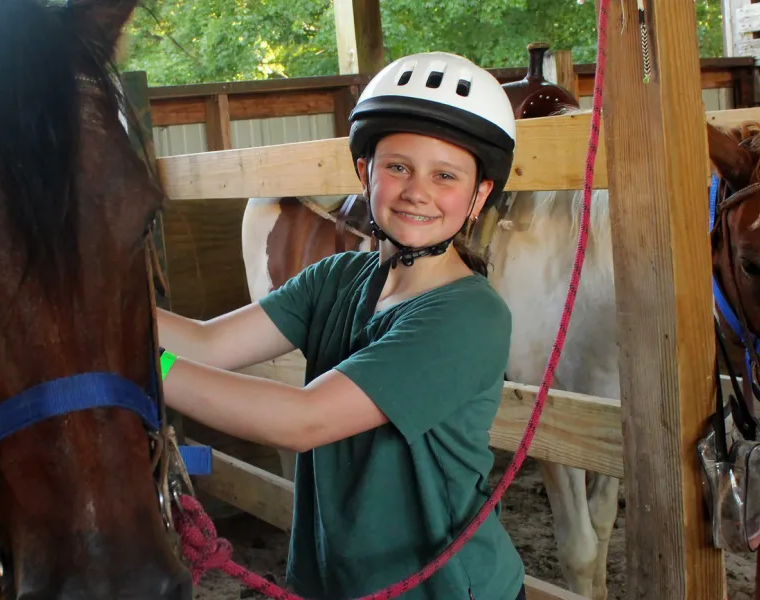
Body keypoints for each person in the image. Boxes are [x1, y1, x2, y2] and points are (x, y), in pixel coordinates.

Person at [155, 52, 527, 600]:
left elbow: (302, 420)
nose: (416, 191)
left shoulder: (468, 316)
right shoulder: (338, 277)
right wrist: (95, 314)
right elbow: (209, 343)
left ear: (478, 197)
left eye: (445, 176)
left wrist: (134, 364)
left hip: (441, 590)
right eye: (398, 166)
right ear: (364, 173)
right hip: (335, 581)